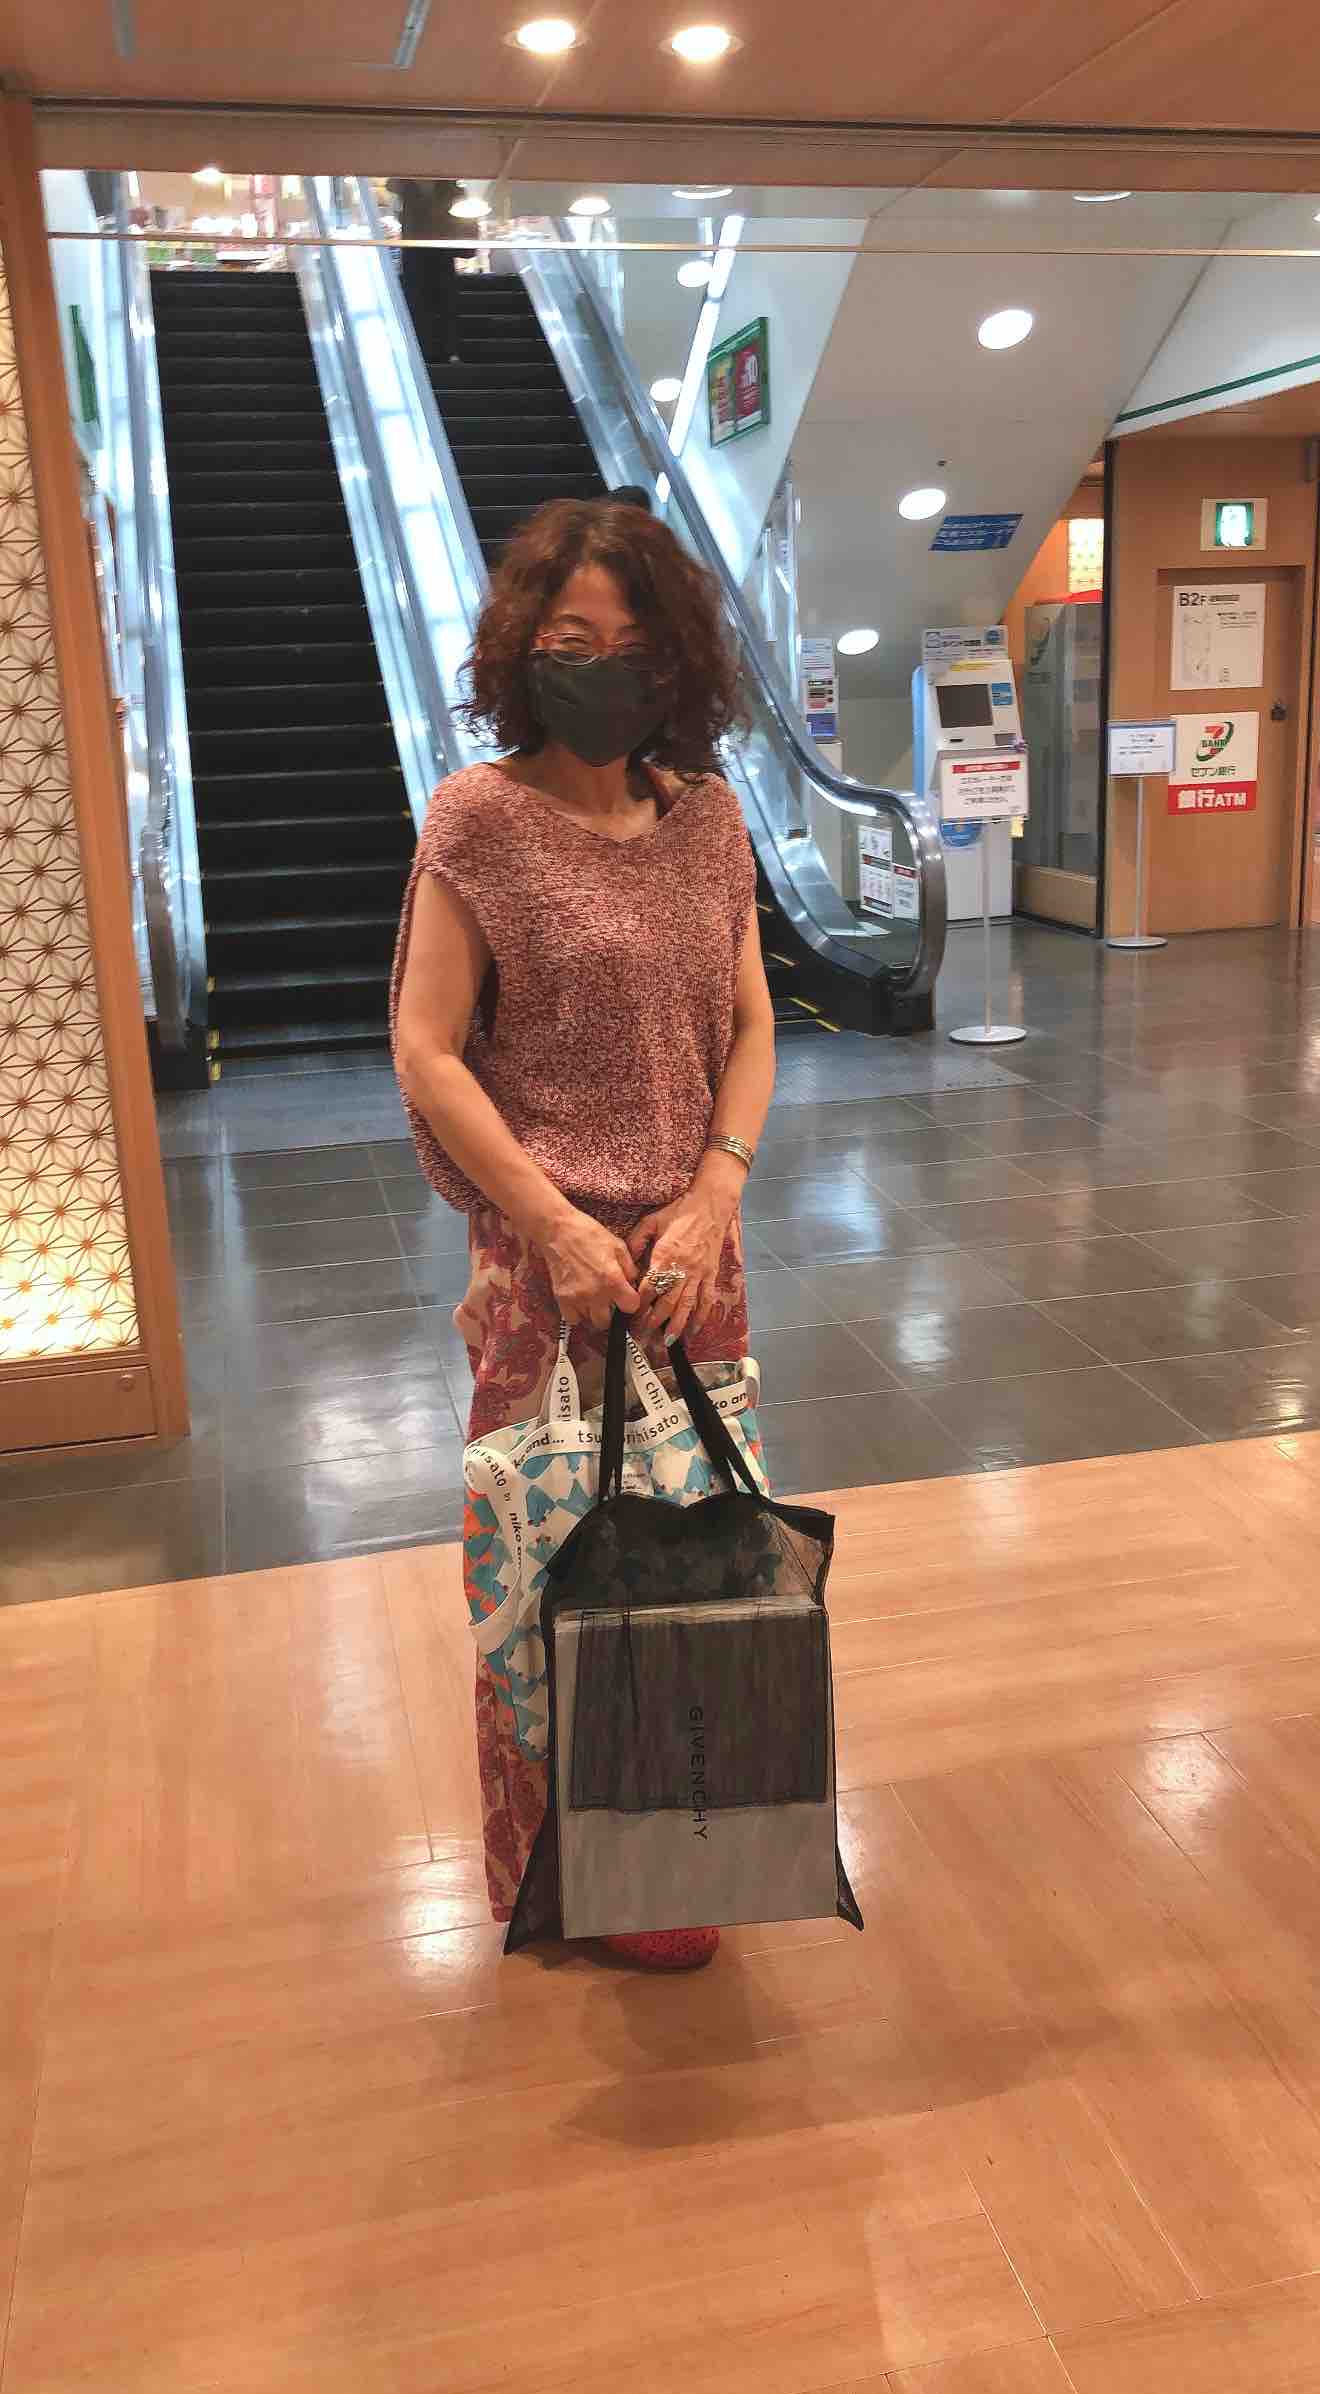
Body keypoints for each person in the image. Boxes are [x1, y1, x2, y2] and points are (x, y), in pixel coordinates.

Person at [391, 499, 775, 1970]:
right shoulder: (477, 820)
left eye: (630, 642)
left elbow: (751, 1025)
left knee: (697, 1570)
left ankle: (686, 1837)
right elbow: (428, 1047)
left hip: (690, 1265)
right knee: (547, 1575)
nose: (602, 667)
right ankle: (570, 1874)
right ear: (522, 649)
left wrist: (719, 1188)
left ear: (674, 660)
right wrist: (550, 1224)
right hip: (548, 1272)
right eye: (571, 639)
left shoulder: (712, 821)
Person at [391, 178, 469, 363]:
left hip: (439, 251)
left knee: (442, 301)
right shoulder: (405, 184)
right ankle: (426, 349)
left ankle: (446, 349)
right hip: (417, 253)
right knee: (419, 301)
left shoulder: (448, 186)